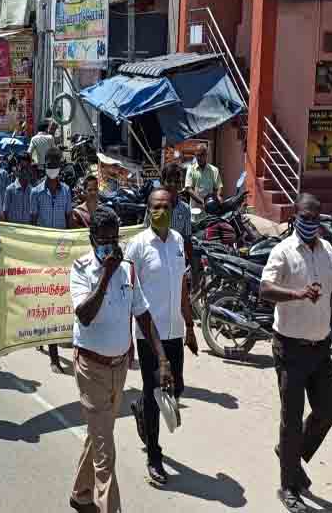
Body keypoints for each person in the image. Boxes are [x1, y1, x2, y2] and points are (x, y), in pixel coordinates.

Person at [260, 193, 332, 513]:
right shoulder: (283, 251)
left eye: (315, 219)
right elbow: (264, 289)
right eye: (305, 217)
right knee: (291, 419)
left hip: (320, 348)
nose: (309, 223)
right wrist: (298, 293)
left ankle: (289, 453)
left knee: (327, 412)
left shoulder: (327, 250)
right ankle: (288, 486)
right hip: (289, 347)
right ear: (296, 217)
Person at [69, 206, 173, 513]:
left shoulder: (127, 269)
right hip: (91, 369)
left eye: (115, 239)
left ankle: (80, 494)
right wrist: (105, 277)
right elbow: (84, 316)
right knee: (106, 453)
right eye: (104, 240)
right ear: (92, 239)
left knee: (99, 434)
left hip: (119, 370)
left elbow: (143, 315)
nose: (110, 245)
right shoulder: (80, 268)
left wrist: (163, 360)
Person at [126, 188, 198, 485]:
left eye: (166, 206)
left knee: (176, 388)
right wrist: (127, 339)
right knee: (156, 392)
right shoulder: (138, 245)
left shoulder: (179, 242)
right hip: (148, 334)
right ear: (148, 209)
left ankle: (142, 407)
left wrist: (191, 327)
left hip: (175, 330)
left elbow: (182, 287)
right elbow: (127, 290)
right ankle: (154, 456)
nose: (161, 211)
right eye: (156, 206)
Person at [31, 148, 74, 374]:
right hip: (44, 255)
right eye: (50, 163)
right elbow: (32, 223)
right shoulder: (36, 193)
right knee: (47, 301)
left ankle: (49, 338)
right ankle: (54, 357)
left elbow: (69, 219)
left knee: (61, 300)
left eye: (56, 163)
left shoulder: (67, 191)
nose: (53, 167)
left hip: (62, 254)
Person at [149, 163, 193, 262]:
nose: (173, 184)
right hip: (155, 256)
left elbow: (187, 238)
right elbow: (146, 234)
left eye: (177, 181)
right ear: (162, 182)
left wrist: (193, 264)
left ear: (181, 184)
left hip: (176, 257)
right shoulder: (154, 205)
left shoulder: (185, 209)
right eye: (169, 181)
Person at [1, 154, 33, 224]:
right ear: (17, 167)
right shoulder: (9, 190)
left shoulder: (32, 191)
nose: (24, 171)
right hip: (13, 231)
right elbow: (5, 212)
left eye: (26, 167)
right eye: (22, 167)